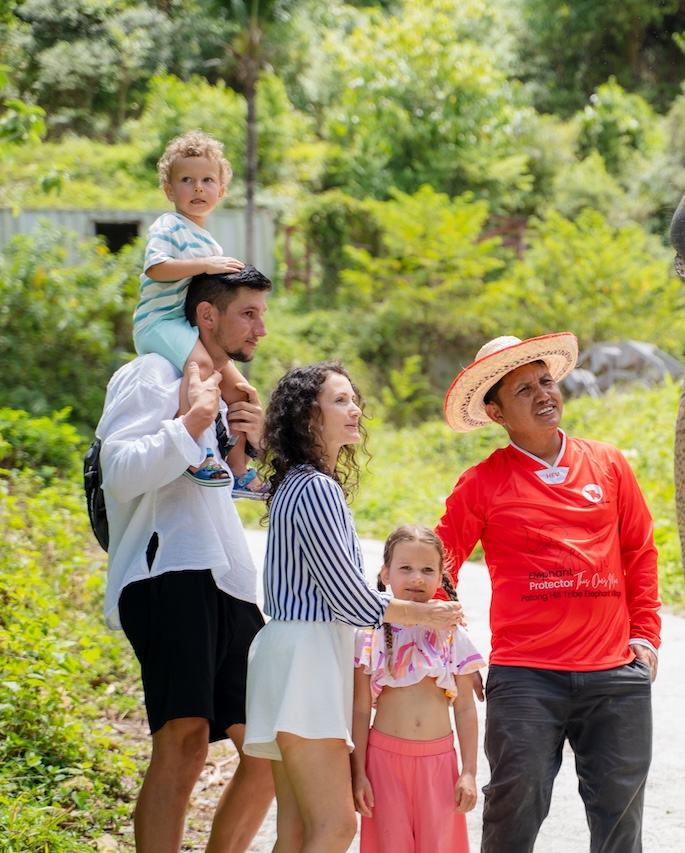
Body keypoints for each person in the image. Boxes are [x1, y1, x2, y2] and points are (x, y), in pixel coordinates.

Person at [436, 332, 663, 853]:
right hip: (526, 678)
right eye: (524, 390)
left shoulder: (608, 464)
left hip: (615, 675)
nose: (544, 394)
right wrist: (454, 647)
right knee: (514, 811)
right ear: (495, 412)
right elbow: (438, 566)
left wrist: (645, 636)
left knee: (621, 824)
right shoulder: (481, 483)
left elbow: (639, 551)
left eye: (546, 381)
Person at [243, 363, 465, 853]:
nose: (355, 410)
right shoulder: (316, 488)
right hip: (307, 655)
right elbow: (349, 600)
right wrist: (423, 614)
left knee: (297, 830)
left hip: (291, 651)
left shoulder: (298, 483)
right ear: (308, 416)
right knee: (336, 825)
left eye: (354, 399)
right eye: (339, 401)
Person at [96, 265, 275, 853]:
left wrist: (250, 445)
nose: (260, 329)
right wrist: (193, 420)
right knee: (183, 739)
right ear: (206, 315)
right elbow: (121, 473)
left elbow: (221, 486)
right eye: (248, 314)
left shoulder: (220, 387)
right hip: (165, 569)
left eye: (261, 315)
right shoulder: (150, 373)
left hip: (226, 576)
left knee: (269, 745)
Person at [135, 129, 263, 498]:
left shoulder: (210, 243)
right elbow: (156, 268)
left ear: (220, 192)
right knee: (202, 366)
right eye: (186, 180)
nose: (197, 188)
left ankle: (239, 469)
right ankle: (193, 452)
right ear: (169, 190)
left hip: (187, 326)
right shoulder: (168, 226)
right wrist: (206, 265)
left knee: (242, 391)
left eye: (207, 180)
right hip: (158, 323)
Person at [351, 525, 485, 853]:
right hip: (382, 764)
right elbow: (359, 709)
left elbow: (465, 707)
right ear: (385, 574)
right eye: (405, 568)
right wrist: (358, 773)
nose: (417, 578)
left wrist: (468, 772)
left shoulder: (452, 634)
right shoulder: (368, 635)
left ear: (441, 577)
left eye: (427, 570)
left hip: (439, 764)